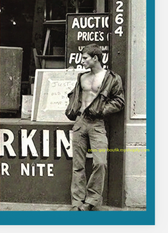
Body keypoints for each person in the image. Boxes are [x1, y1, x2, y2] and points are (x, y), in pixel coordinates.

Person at [65, 43, 125, 211]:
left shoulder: (111, 78)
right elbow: (75, 96)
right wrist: (72, 108)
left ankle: (91, 200)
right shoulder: (81, 77)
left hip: (97, 124)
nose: (81, 61)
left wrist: (101, 111)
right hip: (80, 122)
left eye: (85, 58)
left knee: (100, 163)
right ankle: (77, 203)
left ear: (95, 58)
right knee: (78, 165)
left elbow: (119, 101)